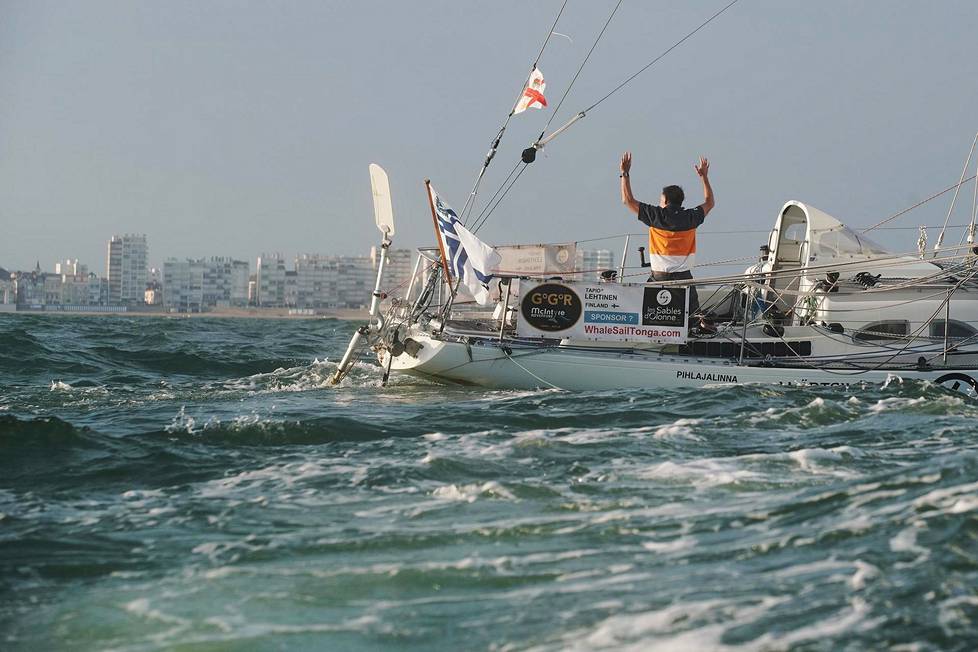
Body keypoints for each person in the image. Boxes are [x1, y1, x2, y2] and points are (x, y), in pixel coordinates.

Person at [619, 151, 714, 322]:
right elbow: (709, 203)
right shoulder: (691, 217)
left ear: (665, 200)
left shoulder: (656, 216)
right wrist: (704, 178)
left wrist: (625, 173)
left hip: (659, 277)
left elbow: (628, 200)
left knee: (646, 312)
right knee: (693, 318)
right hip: (684, 277)